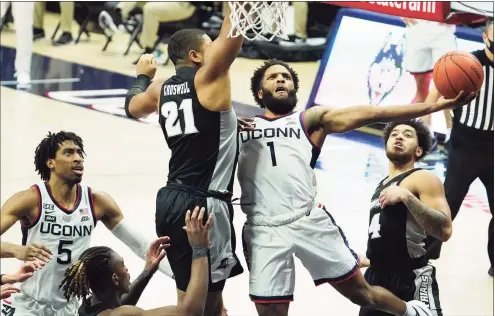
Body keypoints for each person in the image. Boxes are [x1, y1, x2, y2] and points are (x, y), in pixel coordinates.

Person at [237, 59, 475, 316]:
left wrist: (432, 106)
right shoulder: (236, 127)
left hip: (305, 218)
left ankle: (413, 312)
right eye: (272, 77)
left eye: (286, 76)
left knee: (361, 293)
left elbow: (375, 113)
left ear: (295, 90)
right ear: (260, 93)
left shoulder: (309, 120)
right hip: (262, 226)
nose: (281, 79)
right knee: (270, 309)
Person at [124, 7, 246, 315]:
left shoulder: (160, 88)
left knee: (199, 302)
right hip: (204, 205)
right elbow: (233, 32)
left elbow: (131, 107)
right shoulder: (209, 76)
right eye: (209, 44)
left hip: (170, 200)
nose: (214, 48)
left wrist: (142, 76)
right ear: (195, 55)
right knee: (202, 307)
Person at [0, 131, 174, 315]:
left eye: (79, 153)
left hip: (69, 308)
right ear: (50, 162)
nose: (78, 158)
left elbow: (142, 246)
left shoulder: (97, 201)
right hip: (28, 305)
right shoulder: (30, 199)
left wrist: (179, 277)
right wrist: (17, 250)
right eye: (68, 153)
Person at [359, 120, 452, 316]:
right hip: (376, 277)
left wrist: (408, 198)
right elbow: (395, 236)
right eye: (394, 134)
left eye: (408, 135)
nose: (399, 136)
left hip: (410, 279)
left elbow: (444, 230)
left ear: (418, 151)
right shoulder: (381, 185)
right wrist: (369, 259)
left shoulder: (423, 178)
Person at [424, 18, 494, 276]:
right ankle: (425, 254)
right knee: (448, 202)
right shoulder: (467, 63)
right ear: (485, 38)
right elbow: (434, 96)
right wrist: (427, 129)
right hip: (466, 144)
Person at [60, 206, 212, 316]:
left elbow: (122, 303)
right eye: (123, 265)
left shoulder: (87, 307)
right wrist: (200, 249)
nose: (127, 270)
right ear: (115, 279)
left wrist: (148, 271)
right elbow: (190, 313)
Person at [402, 18, 456, 148]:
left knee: (446, 84)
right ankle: (426, 133)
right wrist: (402, 10)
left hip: (443, 29)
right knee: (421, 87)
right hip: (417, 28)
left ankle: (451, 133)